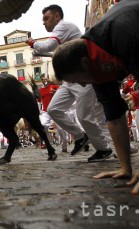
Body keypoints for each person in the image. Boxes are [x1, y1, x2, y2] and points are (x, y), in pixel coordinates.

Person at [51, 0, 139, 197]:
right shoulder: (93, 64)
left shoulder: (121, 32)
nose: (82, 86)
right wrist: (125, 168)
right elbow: (114, 115)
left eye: (78, 80)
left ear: (83, 63)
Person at [25, 4, 112, 162]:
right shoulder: (64, 33)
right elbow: (54, 52)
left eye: (46, 18)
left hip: (82, 77)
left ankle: (104, 149)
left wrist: (33, 43)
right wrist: (40, 52)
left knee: (85, 116)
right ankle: (80, 136)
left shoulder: (63, 26)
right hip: (70, 79)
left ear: (57, 16)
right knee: (53, 109)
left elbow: (48, 45)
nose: (43, 23)